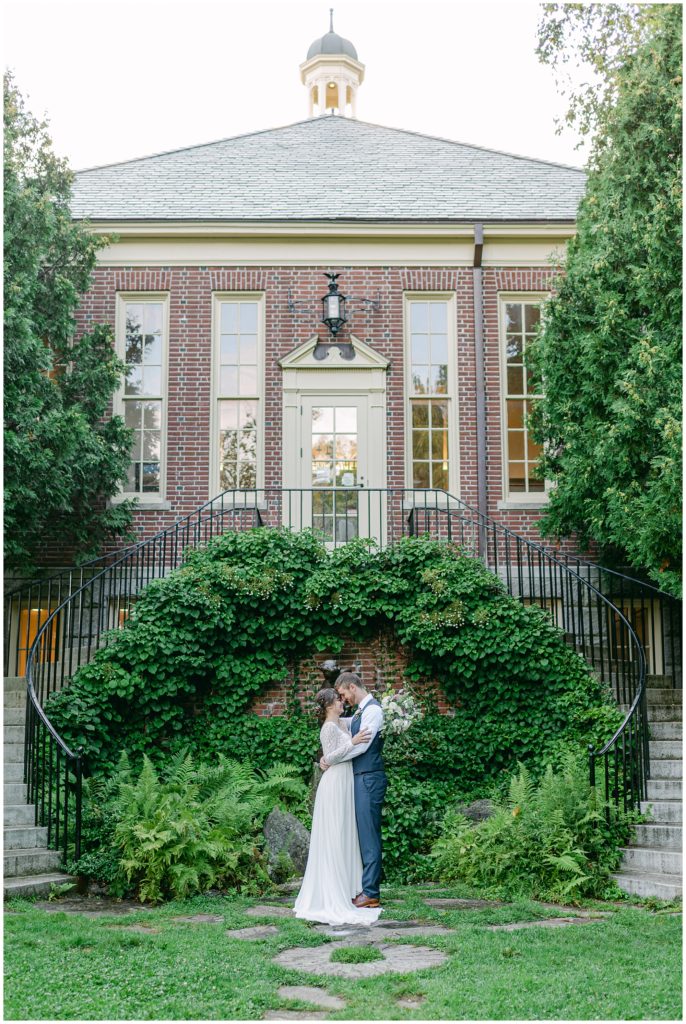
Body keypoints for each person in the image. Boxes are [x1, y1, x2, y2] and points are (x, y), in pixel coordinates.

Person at [293, 688, 382, 926]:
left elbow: (338, 749)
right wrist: (349, 744)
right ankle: (331, 892)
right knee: (333, 836)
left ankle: (347, 889)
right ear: (330, 706)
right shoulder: (329, 728)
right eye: (338, 700)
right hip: (334, 785)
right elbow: (330, 757)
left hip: (346, 783)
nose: (342, 702)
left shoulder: (342, 723)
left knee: (345, 835)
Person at [324, 672, 388, 910]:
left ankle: (371, 892)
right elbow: (339, 729)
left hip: (369, 778)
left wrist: (332, 760)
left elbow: (361, 747)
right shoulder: (360, 712)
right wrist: (328, 756)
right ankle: (365, 887)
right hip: (359, 778)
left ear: (352, 687)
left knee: (369, 835)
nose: (343, 699)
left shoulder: (373, 711)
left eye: (343, 694)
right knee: (360, 834)